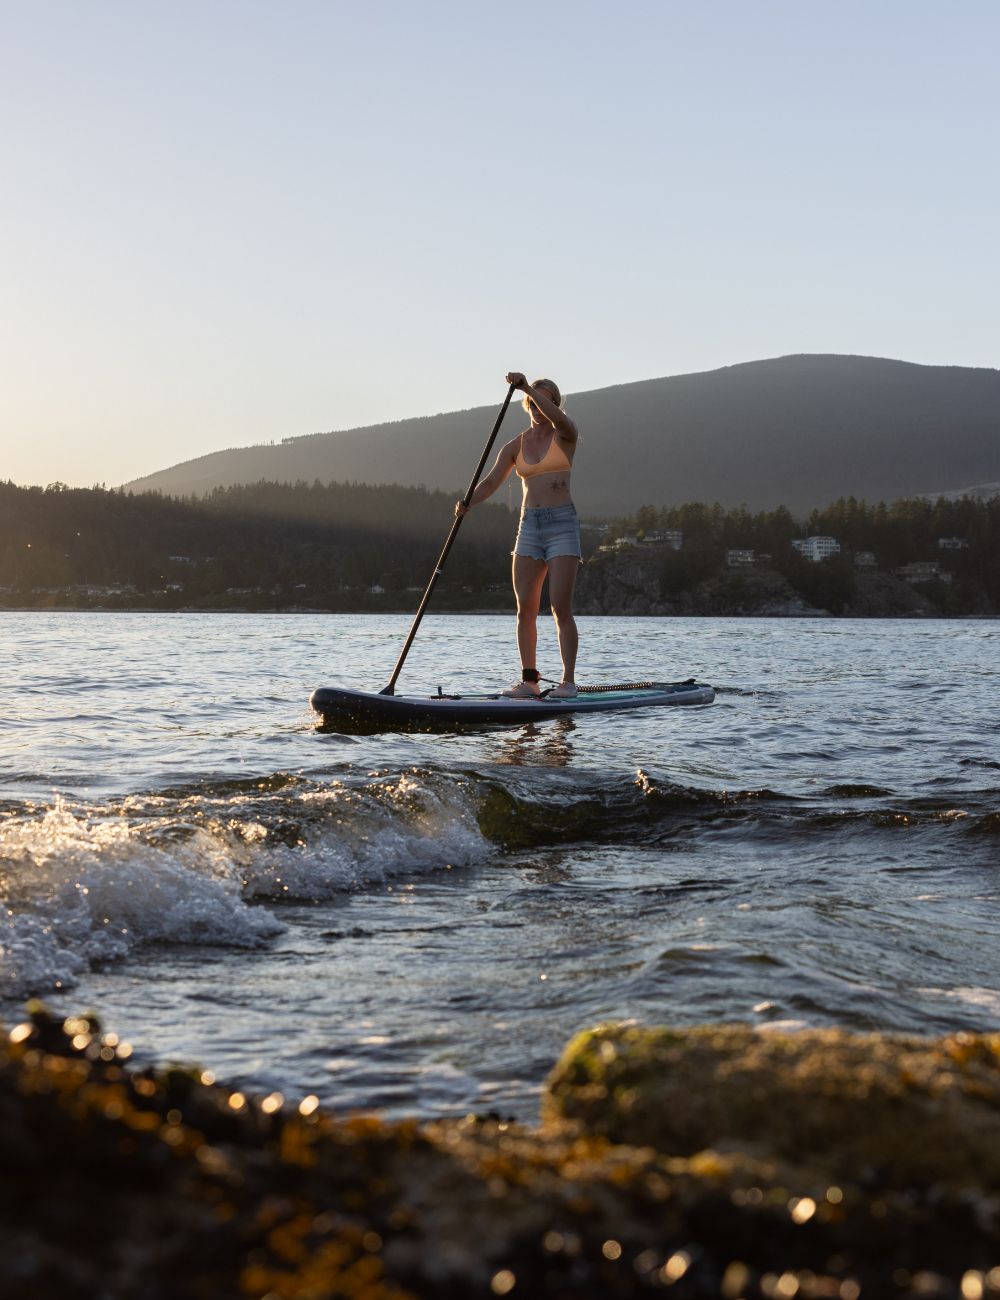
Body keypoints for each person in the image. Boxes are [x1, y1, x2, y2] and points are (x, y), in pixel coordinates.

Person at [455, 371, 581, 698]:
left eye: (548, 401)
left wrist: (528, 388)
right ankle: (529, 681)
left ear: (554, 404)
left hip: (561, 525)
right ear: (527, 405)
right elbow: (491, 481)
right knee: (525, 608)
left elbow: (559, 419)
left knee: (559, 607)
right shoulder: (515, 445)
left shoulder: (565, 434)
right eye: (535, 402)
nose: (541, 407)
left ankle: (568, 683)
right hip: (530, 527)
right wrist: (468, 502)